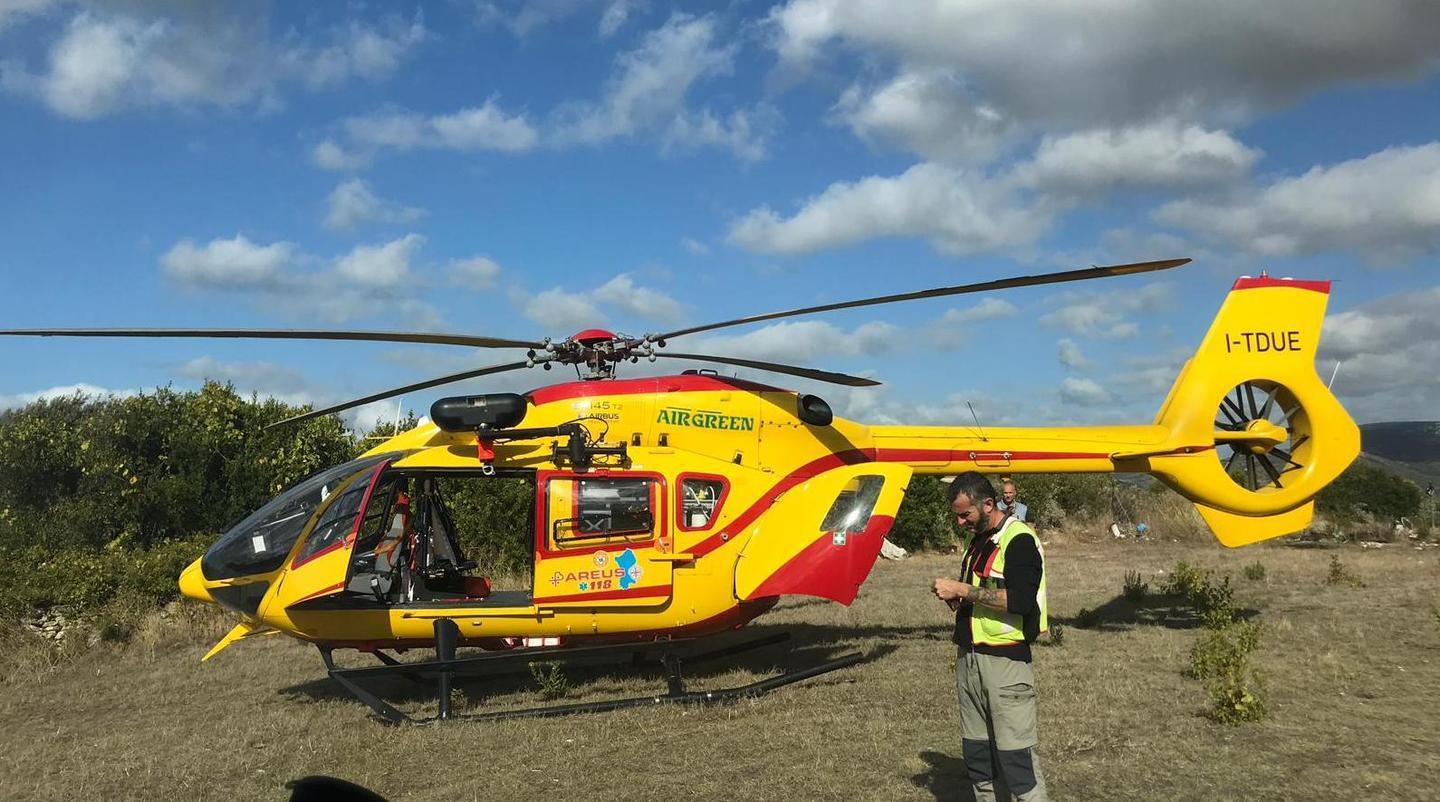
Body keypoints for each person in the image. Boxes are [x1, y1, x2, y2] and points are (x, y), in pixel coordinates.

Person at [933, 471, 1048, 802]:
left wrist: (963, 590)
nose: (960, 522)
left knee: (1017, 762)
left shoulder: (1019, 539)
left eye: (965, 514)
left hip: (1005, 665)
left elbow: (1021, 601)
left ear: (987, 504)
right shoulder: (977, 540)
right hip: (969, 660)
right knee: (979, 758)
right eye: (957, 514)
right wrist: (958, 599)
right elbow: (981, 592)